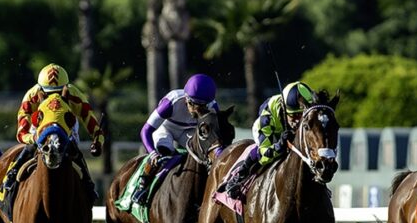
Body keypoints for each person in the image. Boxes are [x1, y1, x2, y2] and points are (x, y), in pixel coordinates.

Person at [1, 63, 103, 200]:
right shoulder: (31, 96)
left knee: (73, 149)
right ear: (40, 90)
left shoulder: (74, 94)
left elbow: (89, 119)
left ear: (66, 89)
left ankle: (88, 184)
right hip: (39, 128)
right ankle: (11, 175)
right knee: (30, 148)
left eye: (59, 93)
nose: (54, 99)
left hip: (66, 127)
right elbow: (21, 133)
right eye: (49, 94)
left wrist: (98, 140)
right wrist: (34, 138)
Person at [131, 73, 219, 205]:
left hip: (189, 131)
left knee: (204, 156)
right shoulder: (171, 102)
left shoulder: (213, 106)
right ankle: (142, 186)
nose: (198, 112)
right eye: (195, 106)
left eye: (203, 107)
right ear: (186, 100)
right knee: (164, 151)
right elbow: (146, 131)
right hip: (167, 128)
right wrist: (152, 152)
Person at [221, 81, 315, 199]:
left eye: (302, 115)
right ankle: (239, 175)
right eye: (294, 116)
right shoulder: (267, 116)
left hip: (284, 128)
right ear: (284, 109)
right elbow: (264, 155)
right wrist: (280, 145)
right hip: (270, 130)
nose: (298, 121)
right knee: (262, 153)